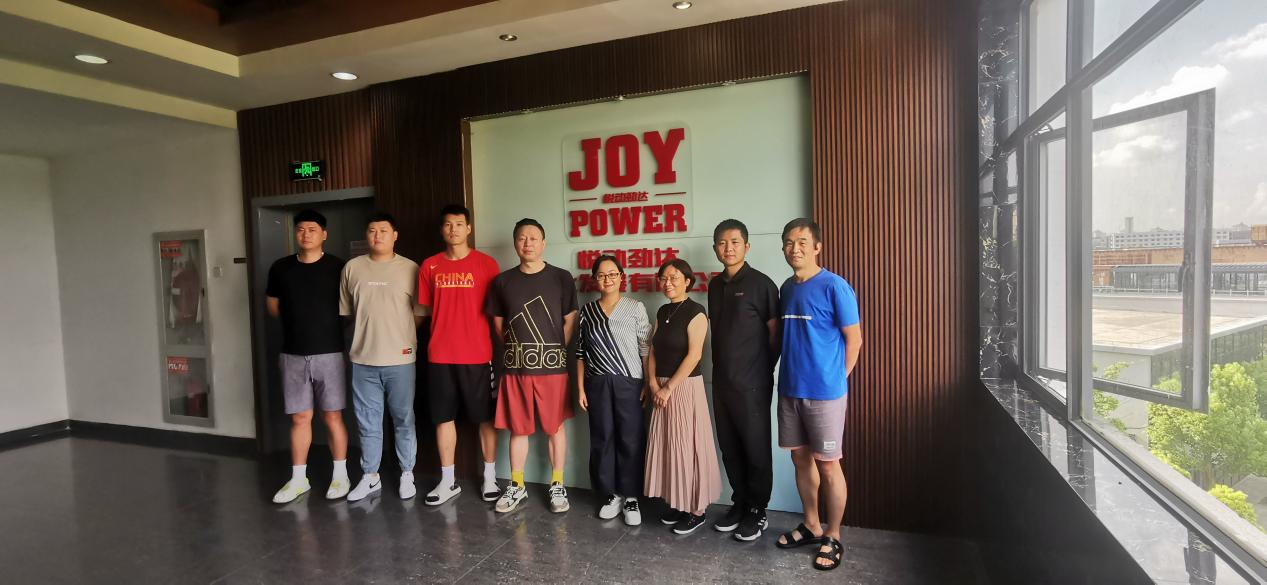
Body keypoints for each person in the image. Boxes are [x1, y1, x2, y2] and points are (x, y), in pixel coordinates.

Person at [773, 218, 862, 572]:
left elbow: (854, 340)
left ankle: (833, 534)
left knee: (828, 465)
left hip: (825, 396)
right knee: (800, 460)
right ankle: (811, 524)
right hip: (789, 390)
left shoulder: (835, 286)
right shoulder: (786, 288)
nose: (794, 248)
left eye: (802, 242)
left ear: (817, 247)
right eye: (788, 242)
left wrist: (835, 380)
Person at [485, 218, 578, 514]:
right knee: (518, 429)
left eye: (533, 238)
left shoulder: (561, 277)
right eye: (522, 238)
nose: (528, 243)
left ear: (543, 243)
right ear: (515, 243)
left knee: (555, 427)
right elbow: (498, 324)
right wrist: (521, 353)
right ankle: (517, 485)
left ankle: (557, 484)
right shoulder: (502, 282)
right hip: (516, 370)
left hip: (553, 369)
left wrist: (551, 351)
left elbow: (570, 321)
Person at [417, 204, 502, 505]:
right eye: (447, 224)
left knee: (485, 418)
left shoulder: (487, 264)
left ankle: (490, 477)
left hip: (477, 354)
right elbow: (424, 310)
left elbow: (497, 311)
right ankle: (448, 481)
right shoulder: (430, 266)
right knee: (443, 418)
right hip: (439, 355)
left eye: (458, 224)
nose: (453, 229)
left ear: (468, 228)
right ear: (442, 230)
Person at [266, 209, 351, 503]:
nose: (306, 234)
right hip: (292, 354)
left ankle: (340, 476)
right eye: (301, 229)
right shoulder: (281, 268)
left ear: (324, 234)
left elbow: (349, 309)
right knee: (300, 417)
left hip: (330, 353)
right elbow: (273, 307)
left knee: (332, 416)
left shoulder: (339, 267)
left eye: (312, 229)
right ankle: (299, 479)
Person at [340, 212, 425, 502]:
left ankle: (407, 473)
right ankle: (370, 476)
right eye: (372, 230)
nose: (377, 236)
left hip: (401, 360)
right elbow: (348, 312)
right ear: (367, 235)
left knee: (404, 419)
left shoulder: (411, 268)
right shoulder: (352, 268)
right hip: (363, 360)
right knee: (368, 422)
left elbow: (419, 313)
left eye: (383, 230)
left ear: (395, 235)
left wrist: (400, 337)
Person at [706, 219, 781, 540]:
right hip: (722, 382)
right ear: (715, 248)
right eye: (722, 243)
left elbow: (775, 334)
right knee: (730, 447)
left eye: (735, 242)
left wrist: (762, 369)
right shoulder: (713, 286)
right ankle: (740, 503)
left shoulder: (762, 284)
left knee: (755, 448)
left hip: (753, 383)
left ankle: (757, 510)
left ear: (747, 246)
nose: (728, 248)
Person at [644, 258, 721, 535]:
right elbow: (652, 350)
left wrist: (668, 388)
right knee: (669, 446)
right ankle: (678, 502)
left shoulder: (696, 312)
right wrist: (653, 383)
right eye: (664, 278)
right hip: (661, 388)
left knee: (688, 447)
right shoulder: (662, 310)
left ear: (688, 281)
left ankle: (696, 511)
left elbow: (694, 355)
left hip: (684, 387)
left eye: (675, 277)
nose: (668, 283)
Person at [575, 255, 651, 526]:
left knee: (630, 439)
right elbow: (580, 353)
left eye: (612, 274)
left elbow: (645, 348)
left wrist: (647, 382)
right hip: (597, 383)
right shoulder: (587, 311)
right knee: (602, 437)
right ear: (595, 279)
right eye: (601, 275)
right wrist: (580, 388)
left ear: (621, 277)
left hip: (629, 382)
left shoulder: (635, 308)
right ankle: (610, 495)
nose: (607, 279)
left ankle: (630, 496)